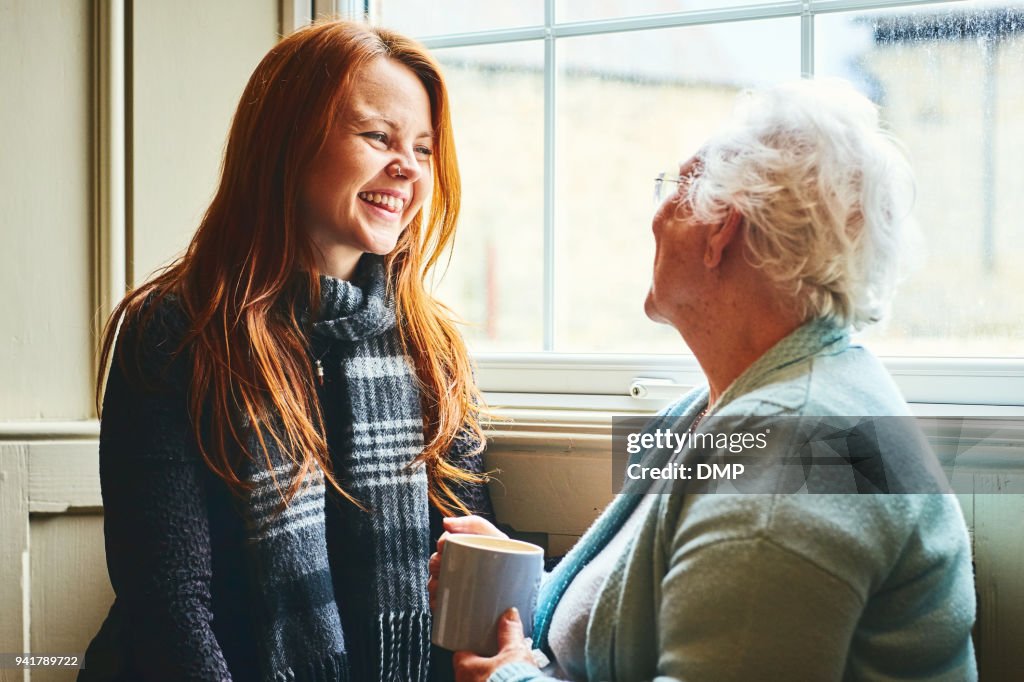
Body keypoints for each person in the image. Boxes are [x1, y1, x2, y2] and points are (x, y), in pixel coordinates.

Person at [429, 78, 977, 681]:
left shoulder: (791, 458)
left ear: (723, 230)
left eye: (677, 187)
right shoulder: (720, 408)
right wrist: (518, 586)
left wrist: (509, 679)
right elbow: (632, 616)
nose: (657, 216)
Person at [79, 20, 493, 682]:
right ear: (286, 144)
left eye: (422, 148)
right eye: (377, 137)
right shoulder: (173, 331)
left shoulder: (432, 346)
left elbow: (471, 565)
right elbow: (168, 609)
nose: (408, 168)